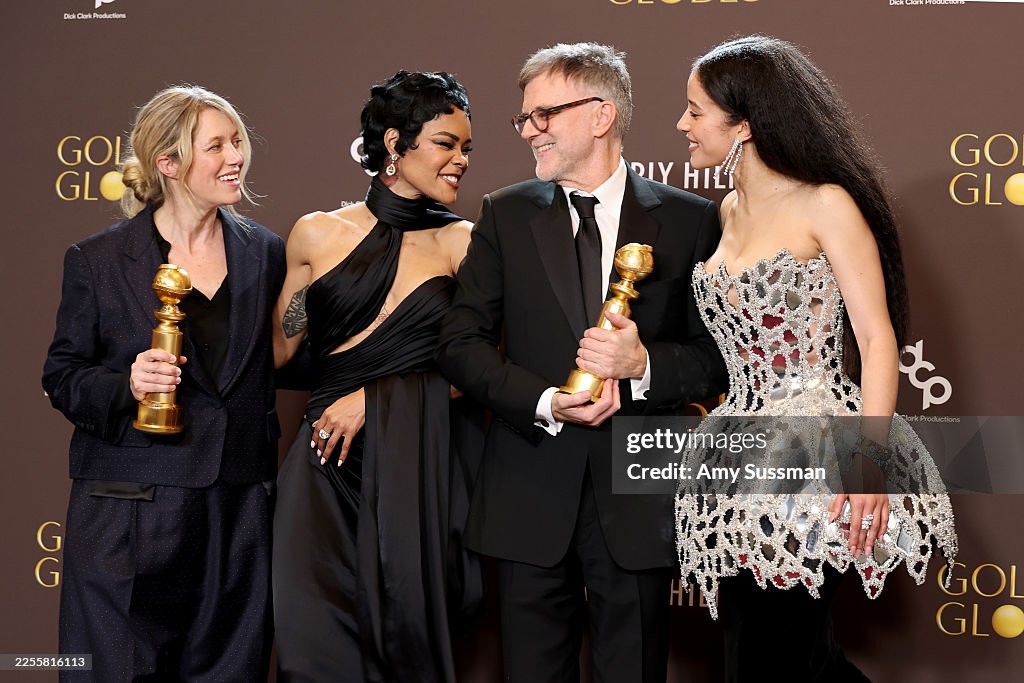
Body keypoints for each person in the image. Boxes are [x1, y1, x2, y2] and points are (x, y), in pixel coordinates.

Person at [437, 43, 727, 682]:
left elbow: (718, 360)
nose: (528, 131)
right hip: (528, 490)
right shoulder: (504, 213)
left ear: (601, 115)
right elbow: (460, 343)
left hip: (639, 492)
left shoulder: (689, 219)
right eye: (524, 119)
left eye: (544, 115)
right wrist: (545, 401)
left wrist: (642, 365)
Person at [672, 35, 958, 681]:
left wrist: (868, 464)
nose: (682, 124)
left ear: (742, 125)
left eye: (695, 110)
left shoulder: (825, 202)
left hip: (815, 457)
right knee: (765, 654)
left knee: (784, 651)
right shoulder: (730, 208)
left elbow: (878, 340)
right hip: (738, 458)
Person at [42, 85, 284, 681]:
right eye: (216, 146)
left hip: (237, 508)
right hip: (130, 511)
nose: (236, 158)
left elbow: (294, 357)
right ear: (168, 164)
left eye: (237, 142)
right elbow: (63, 375)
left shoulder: (269, 253)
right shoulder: (98, 259)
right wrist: (127, 381)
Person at [271, 70, 480, 683]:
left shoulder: (462, 244)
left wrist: (378, 400)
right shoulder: (315, 233)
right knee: (315, 652)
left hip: (417, 467)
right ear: (395, 144)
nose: (460, 160)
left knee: (409, 646)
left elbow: (482, 373)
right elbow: (282, 357)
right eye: (446, 143)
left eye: (467, 148)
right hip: (322, 466)